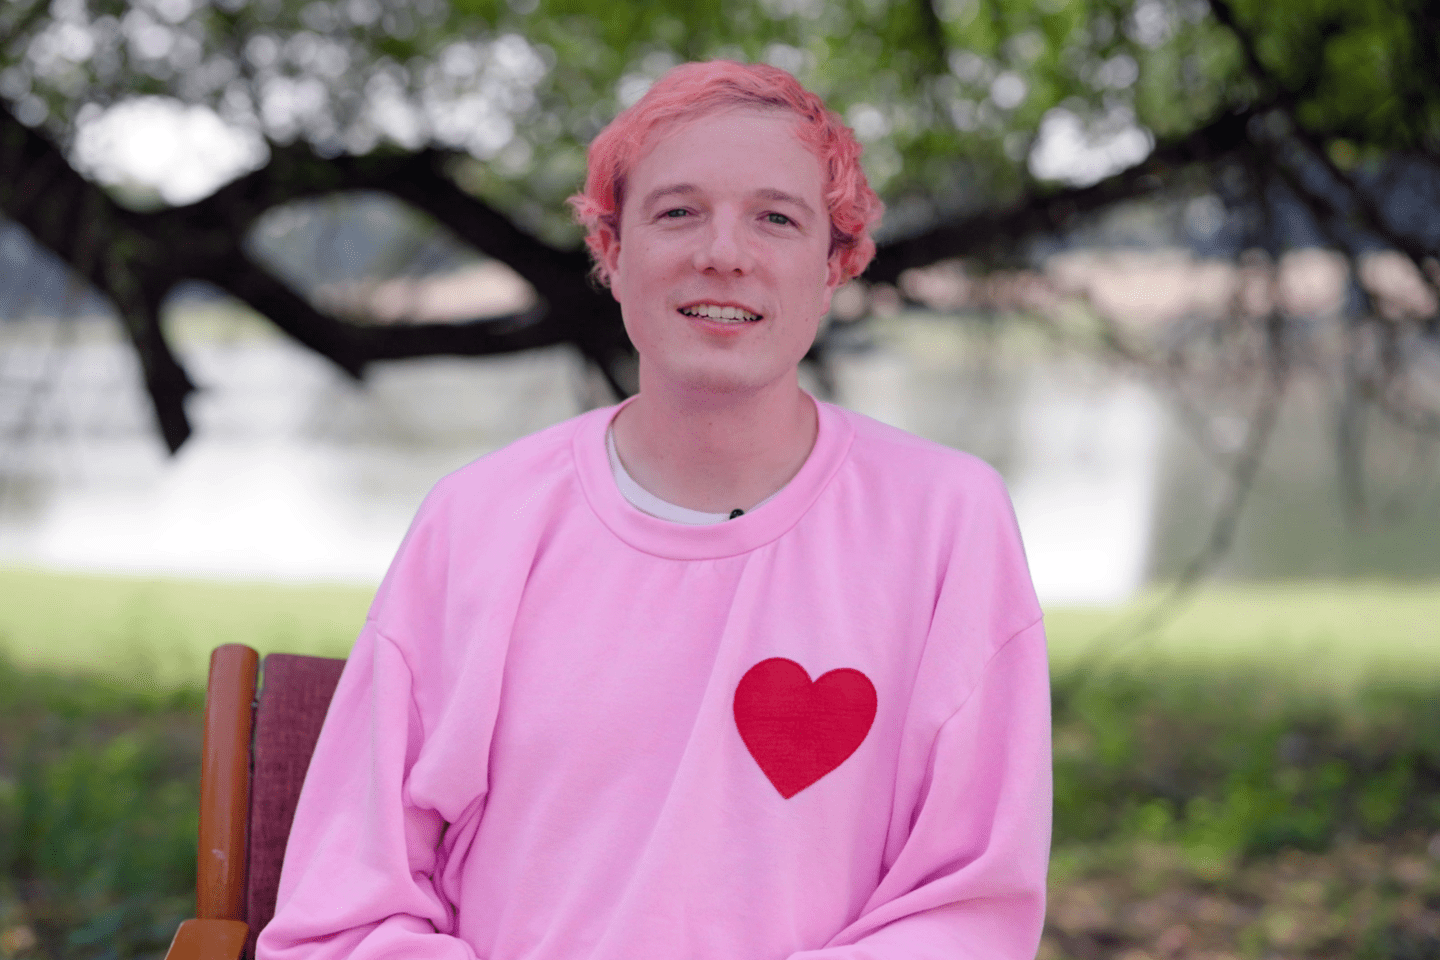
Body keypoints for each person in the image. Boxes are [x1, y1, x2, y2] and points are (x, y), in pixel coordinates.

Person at [257, 60, 1051, 960]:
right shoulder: (476, 524)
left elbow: (967, 913)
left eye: (776, 218)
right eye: (677, 212)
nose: (724, 252)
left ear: (836, 265)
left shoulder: (945, 524)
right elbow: (348, 908)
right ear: (612, 252)